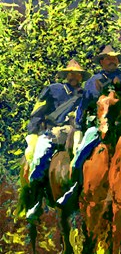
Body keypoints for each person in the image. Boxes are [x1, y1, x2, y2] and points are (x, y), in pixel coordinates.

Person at [18, 59, 90, 218]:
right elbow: (37, 113)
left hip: (77, 131)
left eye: (77, 75)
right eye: (71, 74)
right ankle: (36, 200)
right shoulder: (52, 90)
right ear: (66, 75)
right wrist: (33, 132)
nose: (74, 77)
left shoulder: (85, 94)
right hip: (54, 131)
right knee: (39, 157)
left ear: (81, 77)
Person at [68, 45, 121, 195]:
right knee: (81, 152)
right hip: (99, 124)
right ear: (101, 62)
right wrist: (79, 127)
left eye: (114, 58)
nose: (112, 61)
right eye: (108, 58)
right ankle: (75, 185)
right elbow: (84, 105)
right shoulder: (93, 81)